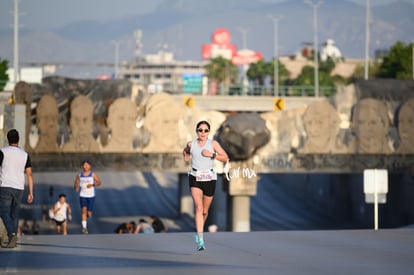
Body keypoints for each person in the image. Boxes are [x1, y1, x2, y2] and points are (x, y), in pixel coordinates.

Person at [183, 120, 229, 251]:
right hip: (195, 177)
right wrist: (186, 154)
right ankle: (200, 239)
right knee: (198, 207)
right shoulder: (191, 144)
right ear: (196, 131)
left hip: (209, 178)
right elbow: (186, 151)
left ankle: (200, 229)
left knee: (204, 211)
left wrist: (212, 155)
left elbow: (225, 157)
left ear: (209, 132)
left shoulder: (213, 143)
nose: (203, 132)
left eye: (205, 130)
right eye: (200, 130)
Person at [0, 129, 34, 248]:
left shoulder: (2, 152)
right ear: (18, 139)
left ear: (7, 139)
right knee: (14, 213)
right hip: (19, 187)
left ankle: (12, 234)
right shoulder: (25, 155)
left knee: (3, 211)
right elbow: (29, 174)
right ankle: (12, 240)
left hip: (5, 186)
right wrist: (31, 192)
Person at [73, 160, 102, 234]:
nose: (86, 166)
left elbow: (99, 182)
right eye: (84, 165)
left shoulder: (93, 174)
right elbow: (76, 182)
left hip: (91, 196)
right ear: (82, 166)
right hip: (83, 195)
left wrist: (92, 185)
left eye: (87, 165)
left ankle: (87, 215)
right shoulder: (79, 175)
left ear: (90, 166)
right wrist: (76, 187)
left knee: (89, 213)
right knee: (83, 211)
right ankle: (84, 228)